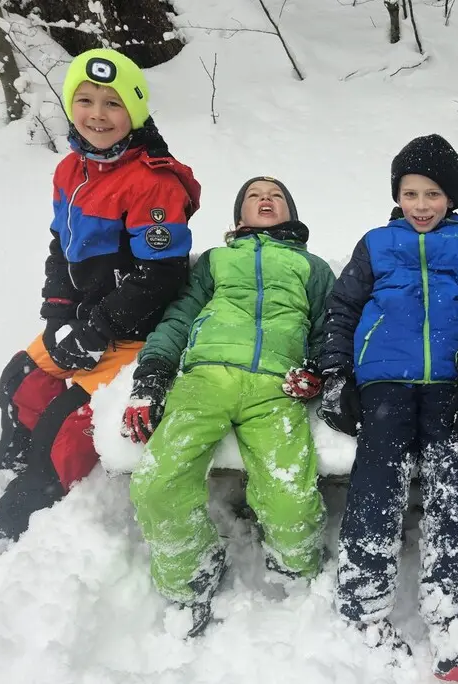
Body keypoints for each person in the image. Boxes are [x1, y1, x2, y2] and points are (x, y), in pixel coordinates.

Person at [0, 48, 200, 569]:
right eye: (85, 100)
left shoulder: (153, 181)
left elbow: (161, 276)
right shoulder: (70, 169)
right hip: (84, 321)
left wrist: (97, 330)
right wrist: (59, 315)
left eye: (113, 103)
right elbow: (61, 247)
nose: (97, 114)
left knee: (62, 423)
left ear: (135, 112)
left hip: (133, 333)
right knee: (19, 382)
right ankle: (13, 462)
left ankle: (22, 509)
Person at [317, 134, 458, 683]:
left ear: (452, 197)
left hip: (447, 382)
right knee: (377, 479)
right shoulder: (376, 243)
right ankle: (363, 604)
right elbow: (343, 308)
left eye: (433, 194)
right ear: (397, 196)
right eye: (410, 193)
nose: (421, 205)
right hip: (383, 381)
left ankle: (452, 623)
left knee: (452, 486)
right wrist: (335, 376)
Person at [123, 176, 333, 638]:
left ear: (291, 212)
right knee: (157, 483)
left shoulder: (311, 267)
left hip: (277, 386)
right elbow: (180, 316)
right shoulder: (216, 261)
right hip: (204, 380)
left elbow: (330, 326)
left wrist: (319, 369)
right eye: (255, 195)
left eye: (276, 195)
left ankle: (298, 571)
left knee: (291, 497)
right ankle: (191, 574)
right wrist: (153, 373)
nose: (266, 199)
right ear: (239, 215)